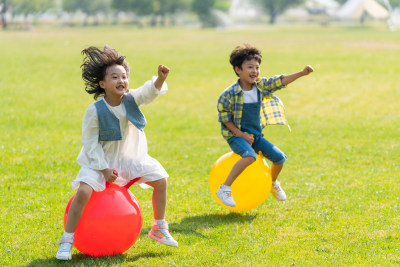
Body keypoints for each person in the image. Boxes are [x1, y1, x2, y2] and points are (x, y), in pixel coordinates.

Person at [56, 45, 178, 261]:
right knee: (84, 192)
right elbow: (90, 143)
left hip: (129, 160)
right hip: (99, 163)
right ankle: (67, 239)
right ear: (103, 84)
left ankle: (159, 227)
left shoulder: (131, 99)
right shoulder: (95, 111)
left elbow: (148, 93)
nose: (122, 81)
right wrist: (103, 168)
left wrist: (160, 79)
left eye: (124, 76)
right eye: (115, 77)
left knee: (160, 180)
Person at [216, 44, 314, 207]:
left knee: (280, 158)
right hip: (236, 136)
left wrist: (302, 73)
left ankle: (272, 182)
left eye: (257, 67)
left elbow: (279, 81)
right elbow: (225, 119)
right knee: (249, 156)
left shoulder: (260, 86)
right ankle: (225, 188)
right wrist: (241, 135)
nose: (255, 71)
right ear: (238, 69)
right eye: (250, 67)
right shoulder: (228, 95)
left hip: (256, 136)